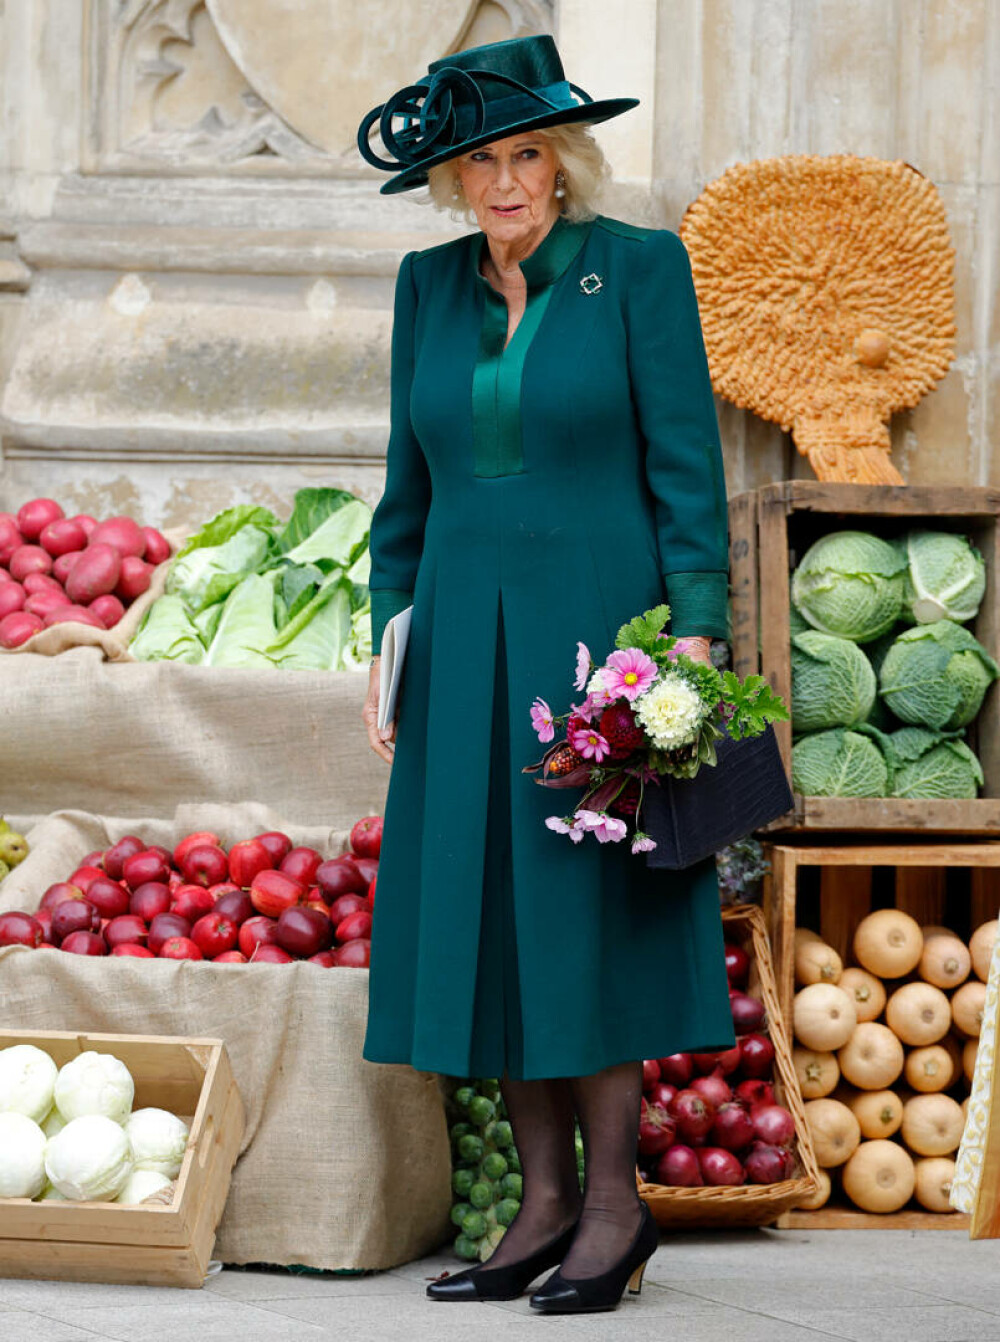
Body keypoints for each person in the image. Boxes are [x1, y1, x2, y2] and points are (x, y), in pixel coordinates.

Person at [357, 35, 735, 1315]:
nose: (504, 180)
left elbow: (687, 467)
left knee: (587, 918)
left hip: (598, 641)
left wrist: (692, 639)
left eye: (525, 153)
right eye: (479, 159)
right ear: (450, 179)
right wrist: (388, 632)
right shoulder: (424, 288)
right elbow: (402, 495)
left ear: (564, 162)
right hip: (462, 641)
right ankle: (542, 1205)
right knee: (493, 917)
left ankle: (616, 1206)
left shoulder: (637, 270)